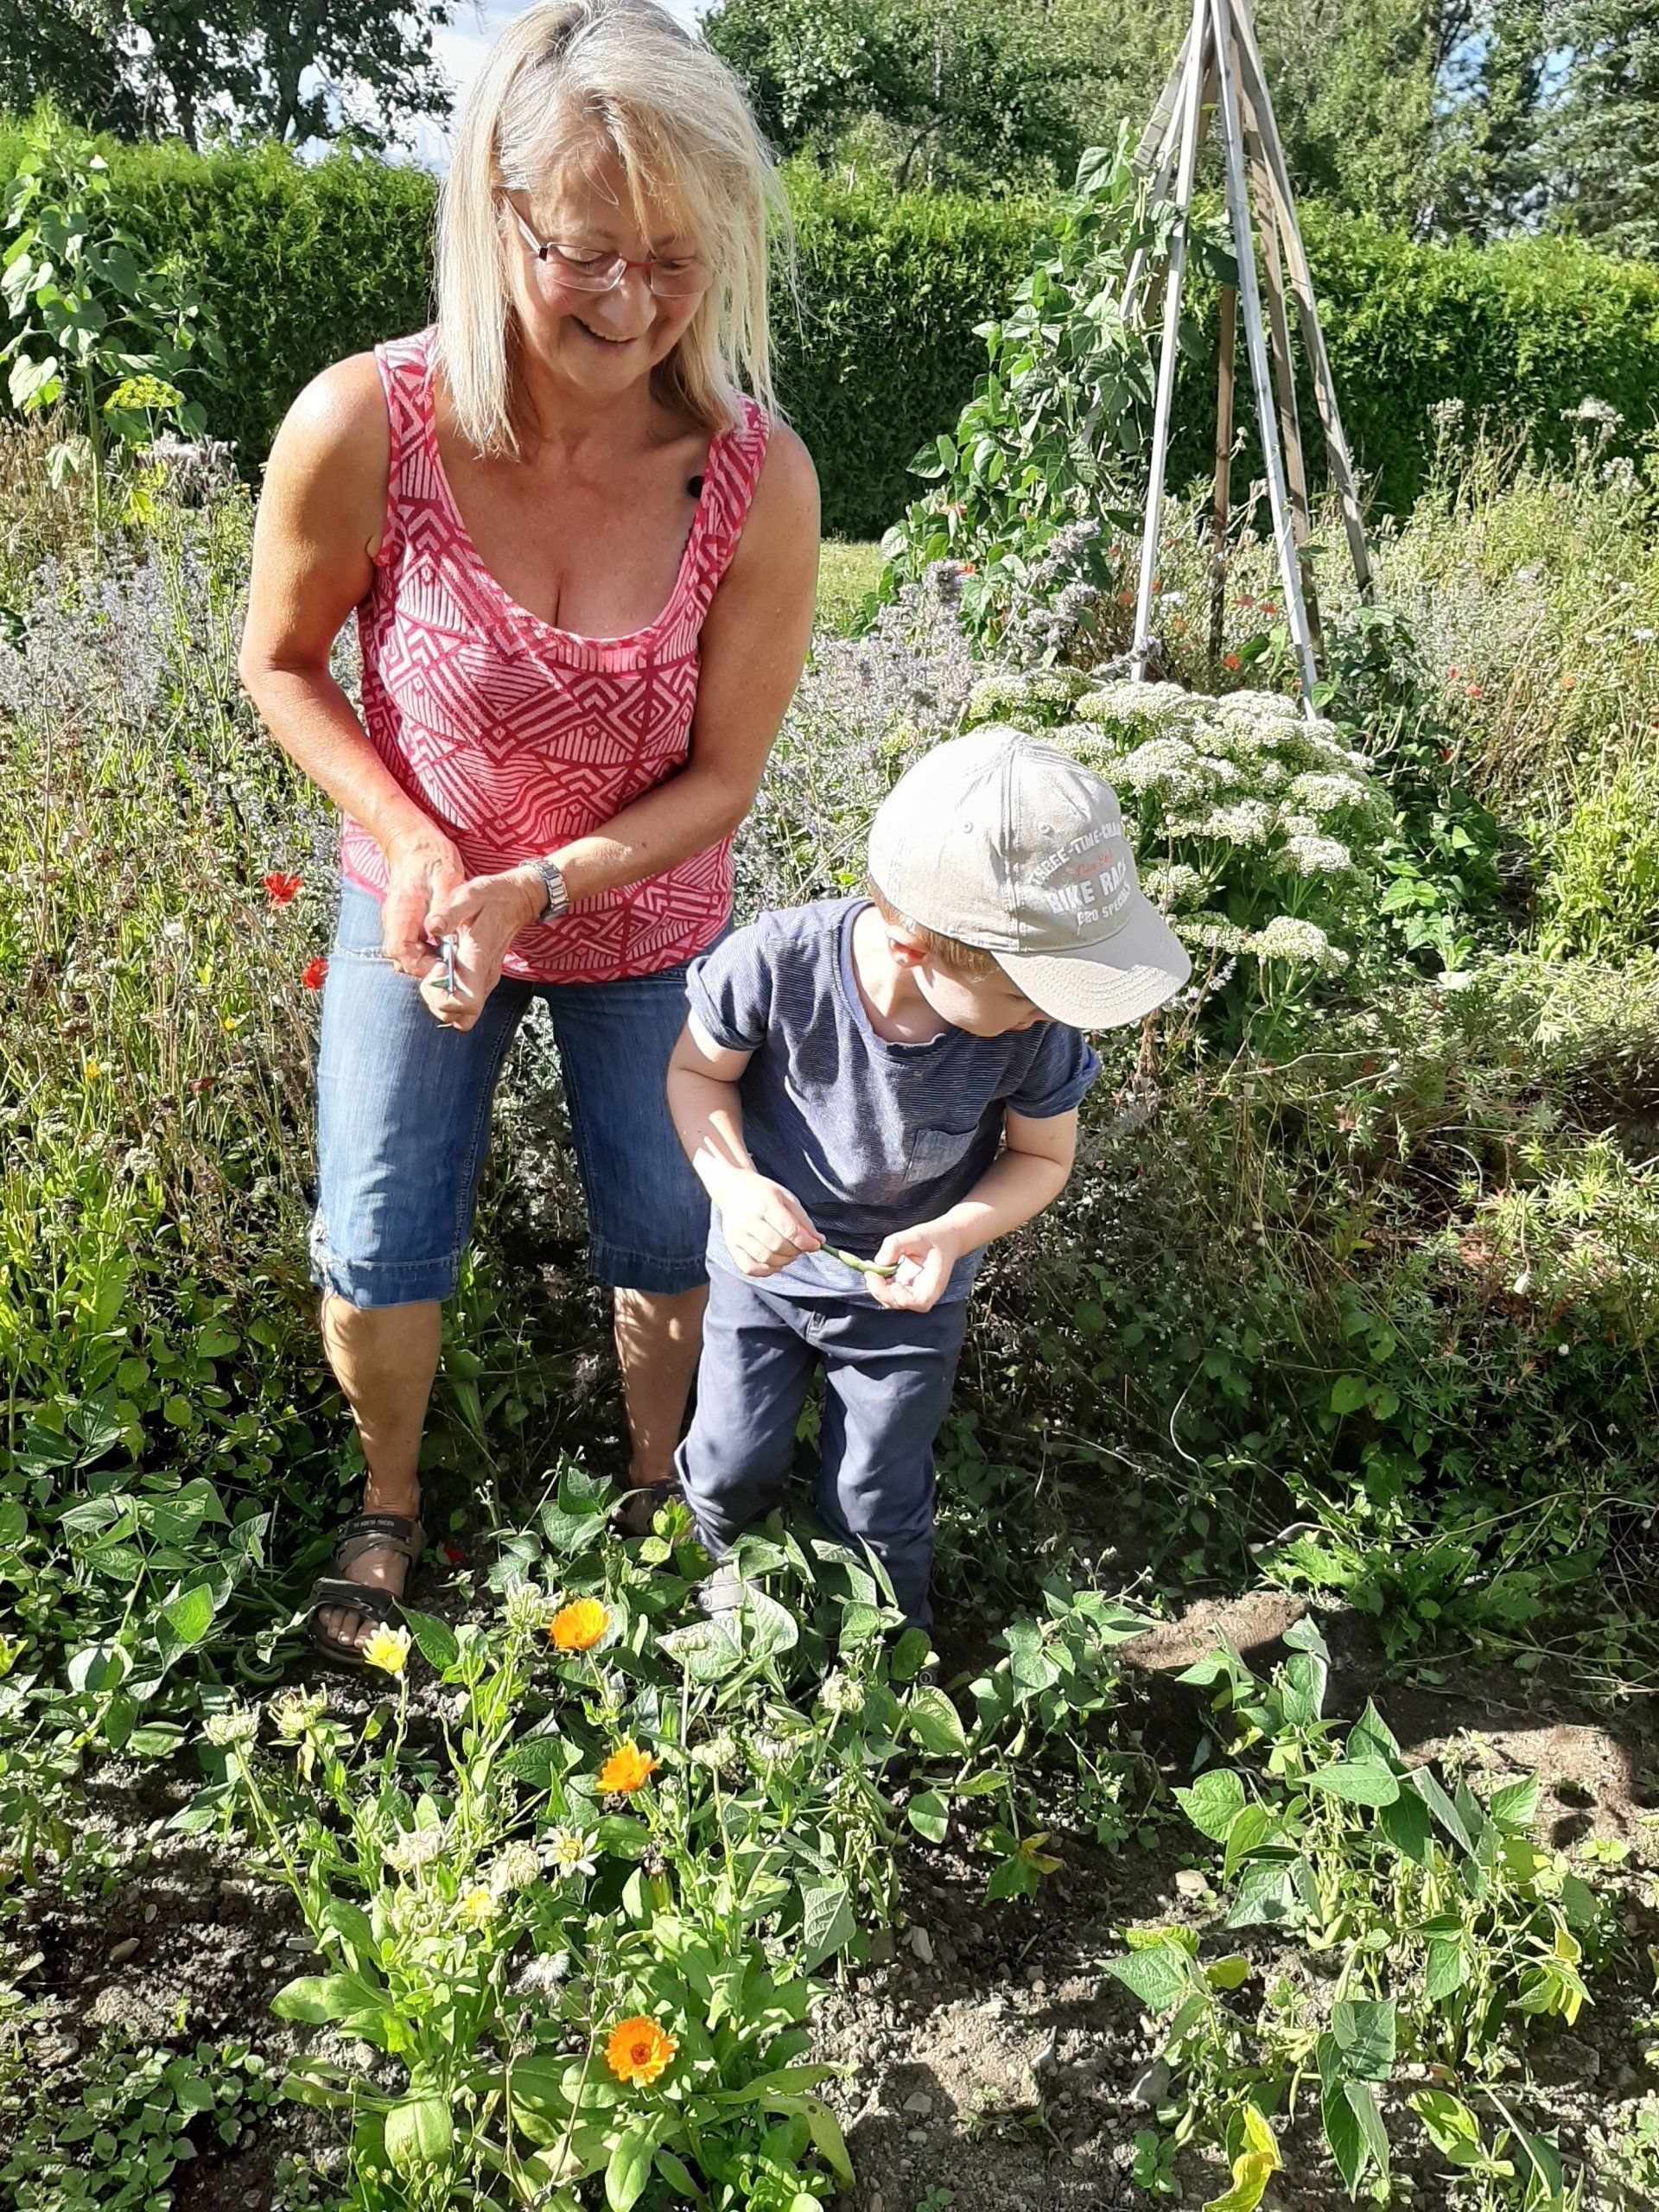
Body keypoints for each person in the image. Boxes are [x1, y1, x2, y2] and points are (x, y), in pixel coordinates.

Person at [237, 0, 818, 1664]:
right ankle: (388, 1500)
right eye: (585, 253)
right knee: (378, 1232)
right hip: (418, 912)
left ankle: (656, 1492)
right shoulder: (366, 424)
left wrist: (544, 884)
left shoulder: (754, 478)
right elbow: (282, 663)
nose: (629, 302)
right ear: (495, 215)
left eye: (676, 261)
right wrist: (421, 845)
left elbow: (723, 778)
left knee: (673, 1227)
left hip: (646, 923)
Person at [662, 727, 1192, 1628]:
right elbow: (694, 1074)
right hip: (764, 1273)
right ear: (913, 946)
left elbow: (1043, 1157)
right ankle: (731, 1600)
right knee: (727, 1463)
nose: (1049, 1016)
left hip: (910, 1298)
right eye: (1028, 993)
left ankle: (889, 1659)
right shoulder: (778, 964)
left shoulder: (1036, 1030)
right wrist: (737, 1188)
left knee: (876, 1493)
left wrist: (952, 1234)